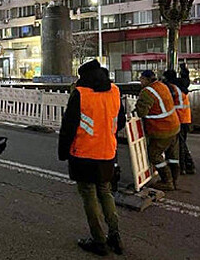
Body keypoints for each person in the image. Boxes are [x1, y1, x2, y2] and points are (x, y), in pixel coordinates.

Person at [58, 60, 126, 256]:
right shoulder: (114, 91)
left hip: (84, 154)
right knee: (105, 192)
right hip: (107, 153)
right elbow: (120, 121)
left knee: (89, 195)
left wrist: (63, 153)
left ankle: (99, 241)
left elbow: (68, 128)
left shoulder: (81, 94)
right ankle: (115, 236)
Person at [135, 70, 180, 191]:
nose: (140, 81)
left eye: (141, 79)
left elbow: (141, 112)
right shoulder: (162, 85)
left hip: (162, 129)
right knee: (172, 155)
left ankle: (167, 181)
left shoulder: (147, 92)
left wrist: (137, 105)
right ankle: (175, 179)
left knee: (154, 154)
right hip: (174, 125)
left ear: (146, 79)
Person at [163, 64, 196, 174]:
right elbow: (186, 78)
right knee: (182, 143)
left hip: (178, 118)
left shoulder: (173, 88)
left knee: (180, 144)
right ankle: (188, 165)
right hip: (185, 118)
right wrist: (184, 70)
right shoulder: (182, 86)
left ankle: (183, 167)